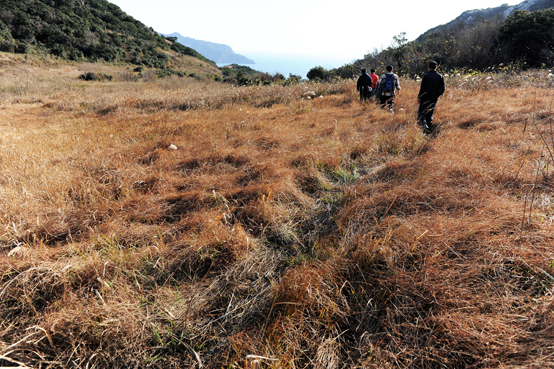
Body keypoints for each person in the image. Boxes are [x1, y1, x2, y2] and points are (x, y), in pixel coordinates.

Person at [417, 61, 446, 135]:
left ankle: (423, 129)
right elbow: (442, 88)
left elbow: (422, 88)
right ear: (436, 68)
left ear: (429, 67)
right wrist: (437, 94)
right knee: (430, 112)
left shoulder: (426, 76)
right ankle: (429, 129)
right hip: (434, 97)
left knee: (422, 113)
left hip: (425, 97)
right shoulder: (440, 76)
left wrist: (419, 97)